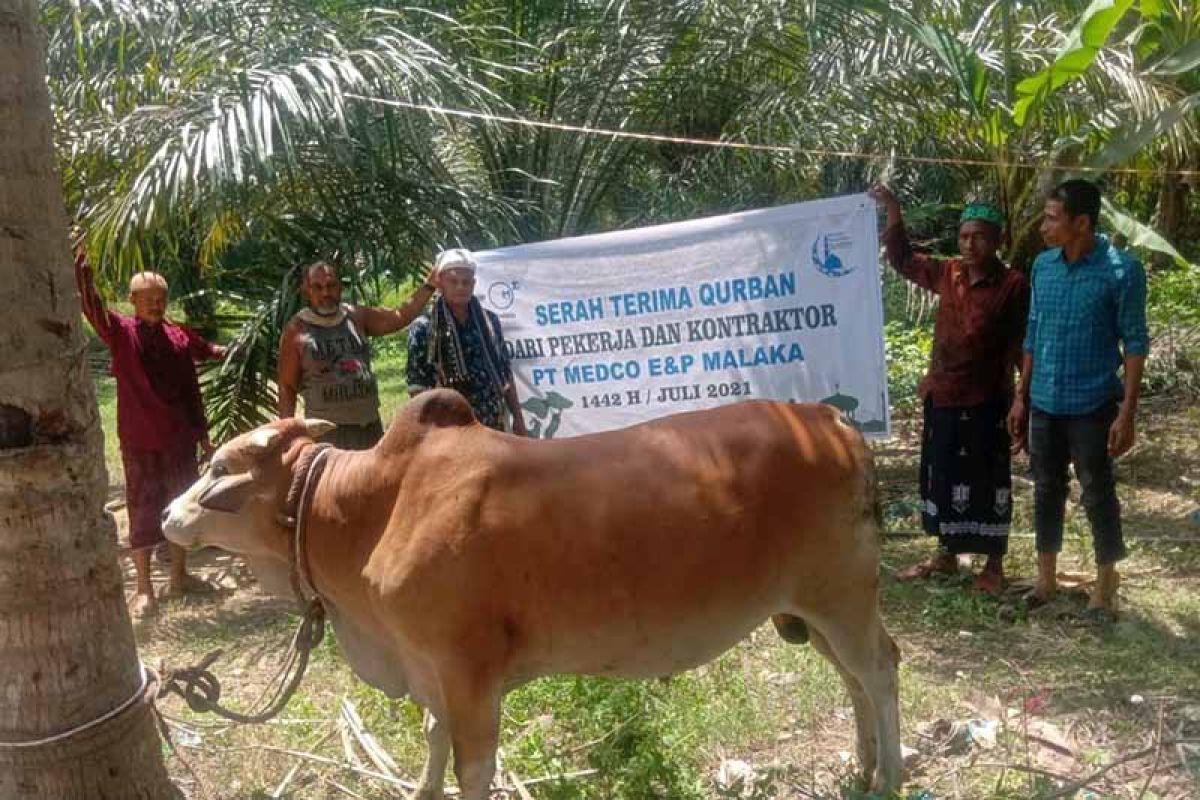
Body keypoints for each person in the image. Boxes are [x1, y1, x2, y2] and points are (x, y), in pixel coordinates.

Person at [869, 185, 1029, 595]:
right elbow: (902, 259)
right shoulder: (947, 273)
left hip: (987, 399)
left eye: (979, 236)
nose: (969, 244)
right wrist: (892, 209)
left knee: (988, 479)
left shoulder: (1012, 285)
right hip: (942, 395)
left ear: (997, 241)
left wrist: (1021, 401)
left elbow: (1020, 345)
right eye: (963, 236)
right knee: (941, 476)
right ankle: (945, 554)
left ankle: (993, 564)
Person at [1008, 179, 1149, 621]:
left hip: (1093, 404)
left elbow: (1135, 344)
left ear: (1081, 223)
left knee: (1097, 493)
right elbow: (1033, 333)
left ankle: (1105, 586)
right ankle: (1045, 580)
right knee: (1046, 489)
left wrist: (1126, 413)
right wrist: (1021, 397)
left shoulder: (1122, 271)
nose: (1044, 226)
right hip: (1045, 402)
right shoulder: (1043, 267)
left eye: (1052, 218)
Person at [74, 249, 226, 618]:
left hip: (179, 440)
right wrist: (82, 273)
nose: (157, 305)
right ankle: (144, 589)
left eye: (161, 299)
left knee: (179, 510)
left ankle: (179, 577)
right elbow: (92, 309)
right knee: (142, 511)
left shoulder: (178, 335)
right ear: (133, 301)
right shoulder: (121, 333)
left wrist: (242, 347)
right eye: (149, 299)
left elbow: (208, 356)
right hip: (141, 442)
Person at [277, 260, 435, 449]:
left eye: (331, 286)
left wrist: (430, 285)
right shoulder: (297, 330)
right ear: (306, 290)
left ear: (340, 286)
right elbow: (287, 386)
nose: (325, 293)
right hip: (328, 434)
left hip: (369, 426)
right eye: (317, 287)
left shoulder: (356, 316)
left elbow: (398, 317)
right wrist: (287, 437)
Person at [406, 249, 528, 435]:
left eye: (466, 282)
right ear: (440, 283)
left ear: (474, 284)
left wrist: (517, 417)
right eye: (453, 282)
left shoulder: (489, 321)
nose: (461, 287)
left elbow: (504, 372)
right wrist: (429, 433)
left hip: (492, 421)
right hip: (448, 427)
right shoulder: (424, 327)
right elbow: (417, 386)